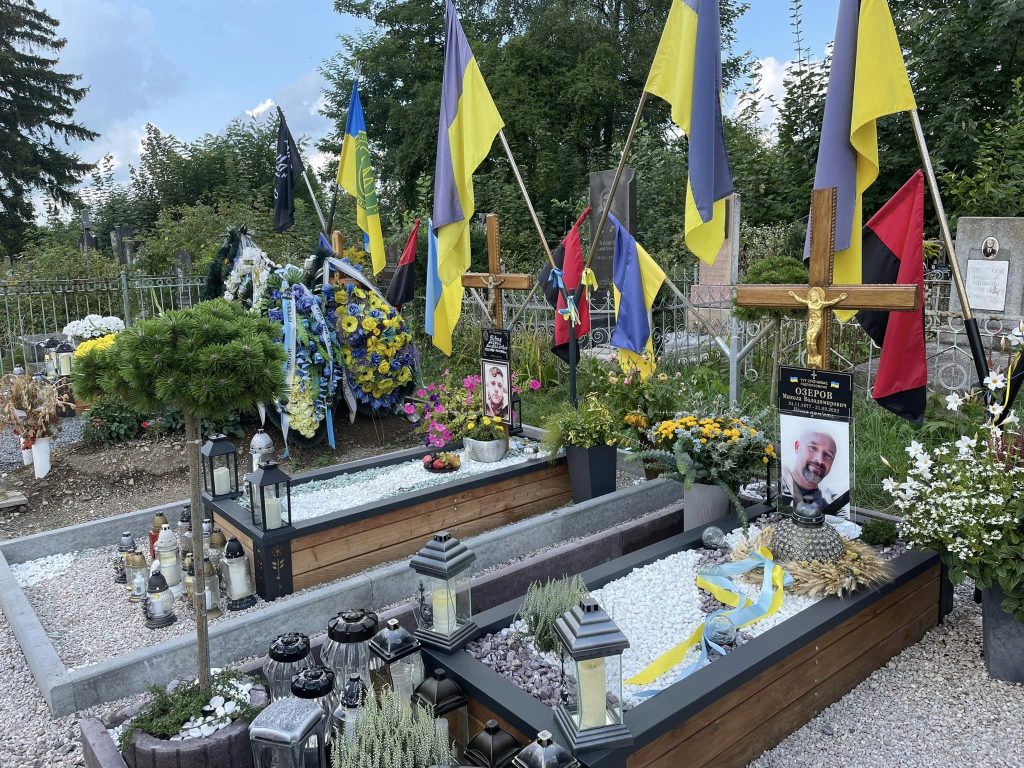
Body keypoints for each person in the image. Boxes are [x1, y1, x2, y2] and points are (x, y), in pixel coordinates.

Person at [781, 429, 840, 513]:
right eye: (813, 448)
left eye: (828, 455)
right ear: (797, 447)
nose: (819, 460)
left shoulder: (835, 503)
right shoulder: (776, 489)